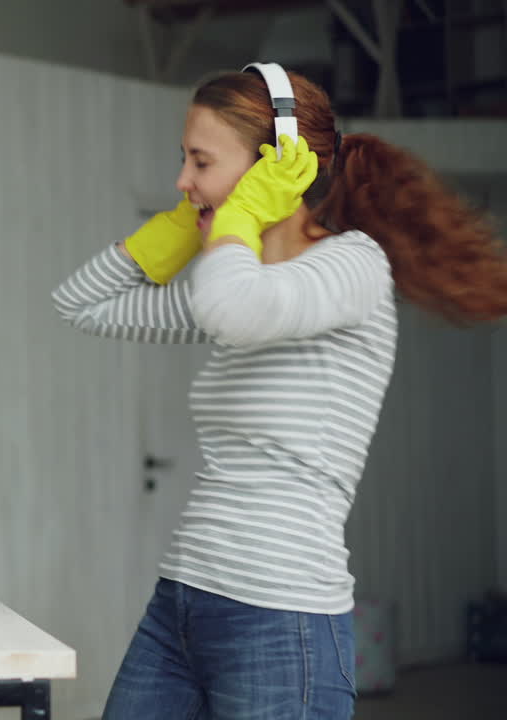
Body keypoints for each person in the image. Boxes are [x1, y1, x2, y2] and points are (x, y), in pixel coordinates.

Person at [51, 68, 507, 720]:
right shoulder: (235, 284)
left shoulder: (351, 266)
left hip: (278, 618)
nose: (183, 181)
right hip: (183, 600)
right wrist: (175, 231)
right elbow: (80, 304)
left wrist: (235, 218)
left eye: (200, 162)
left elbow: (237, 308)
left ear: (277, 166)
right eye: (183, 161)